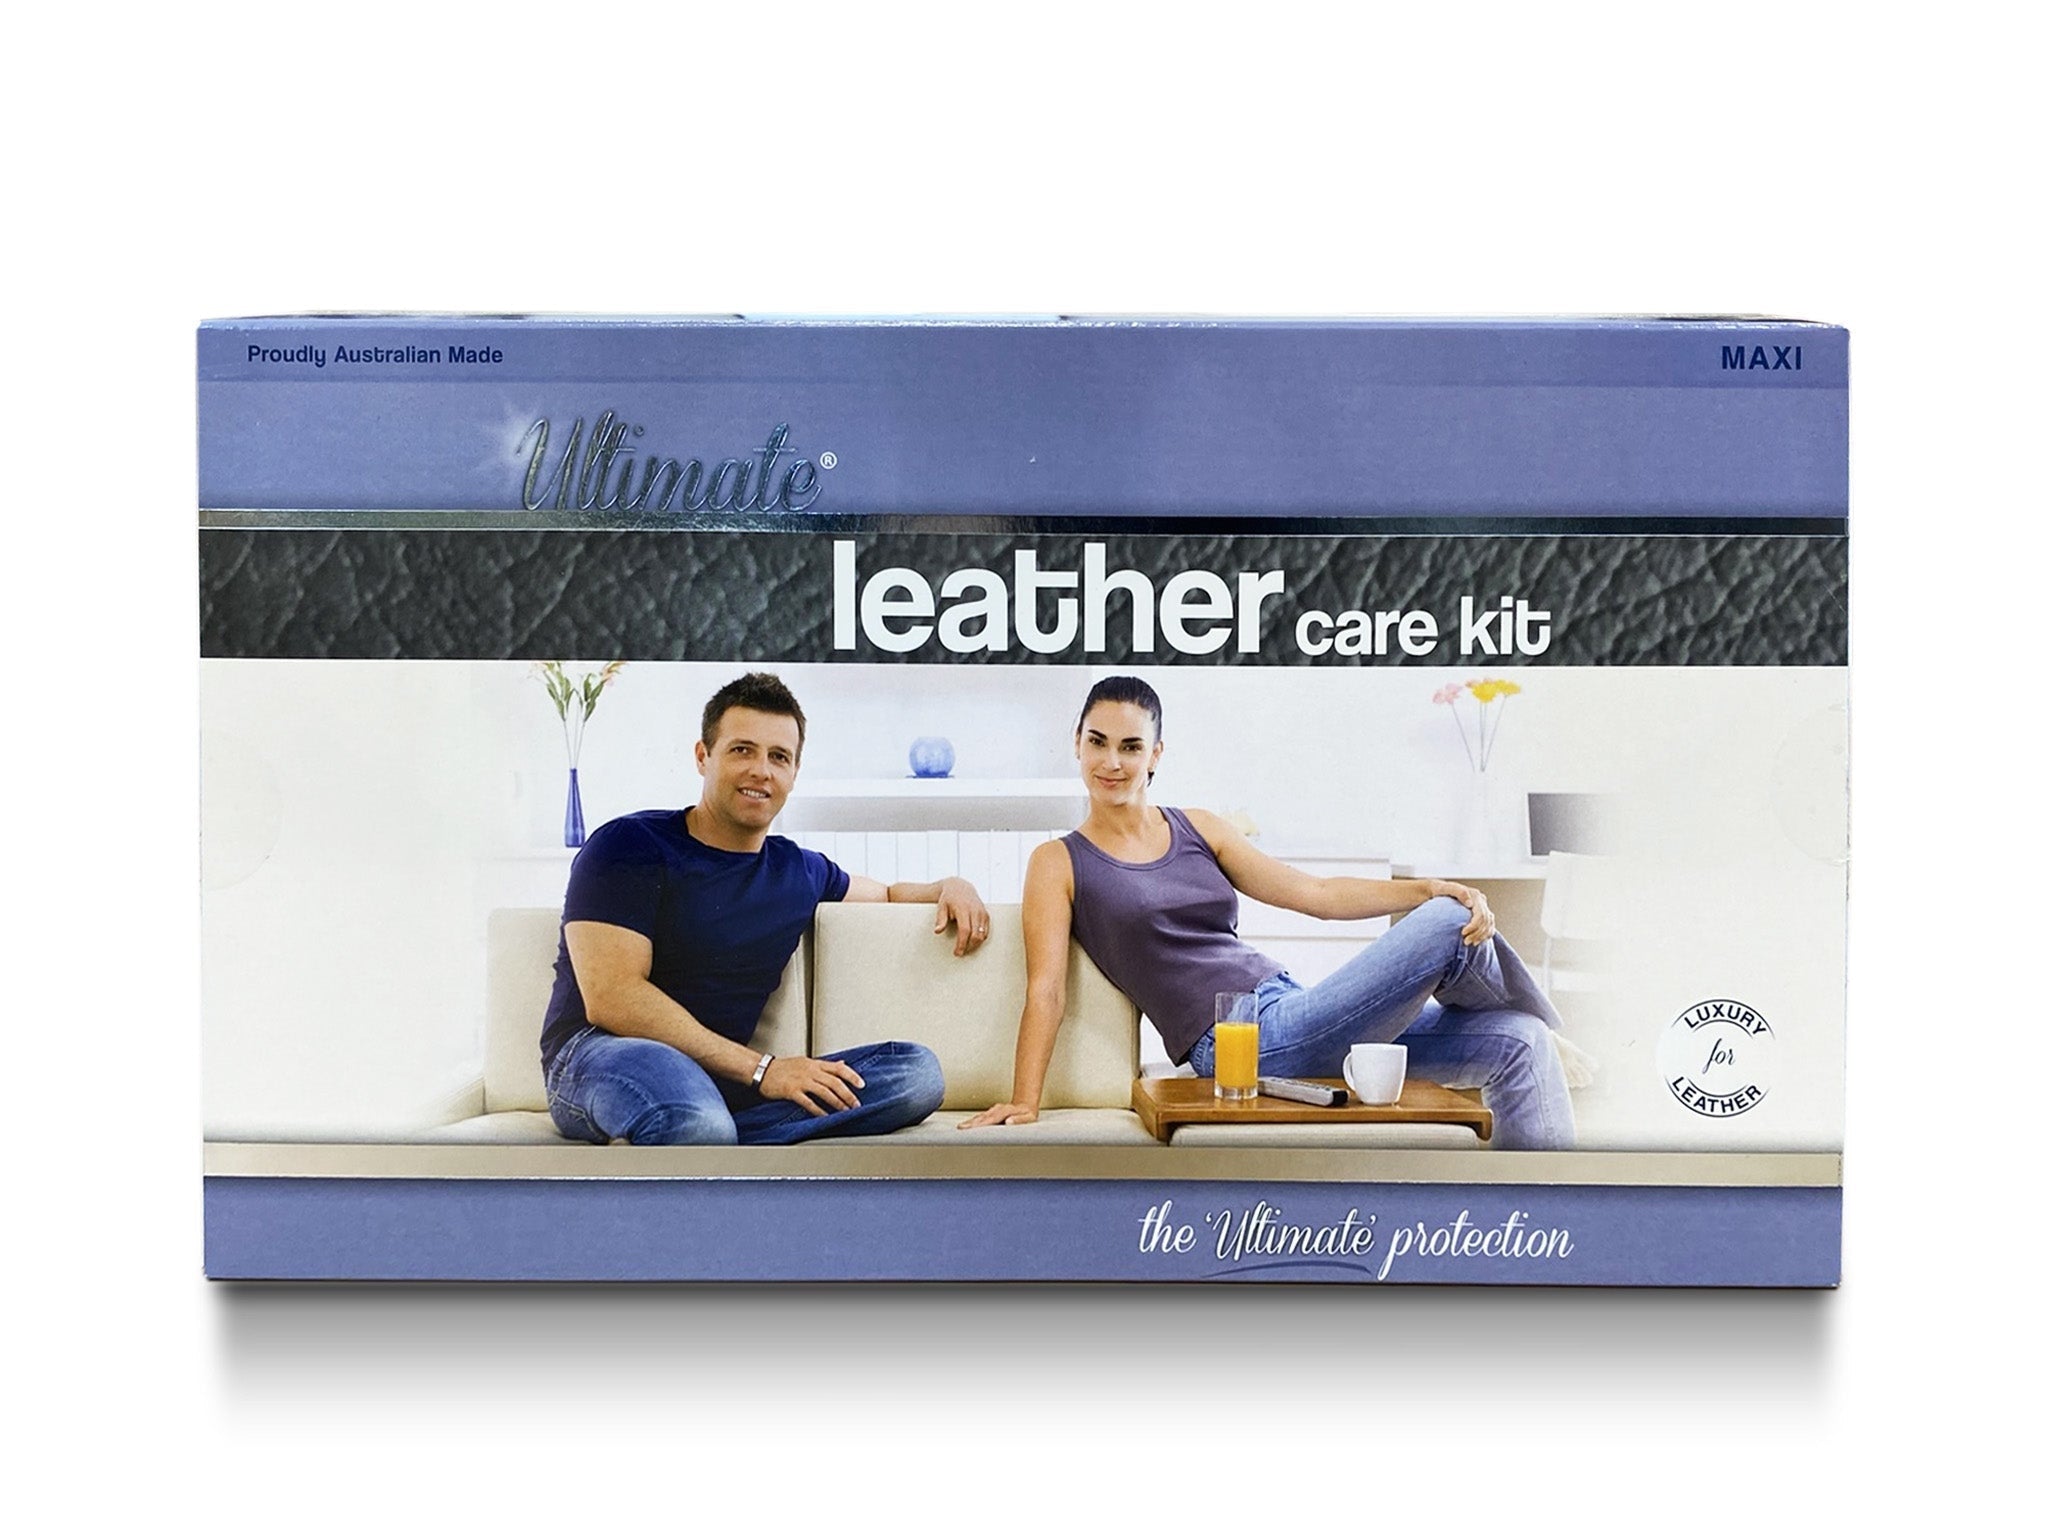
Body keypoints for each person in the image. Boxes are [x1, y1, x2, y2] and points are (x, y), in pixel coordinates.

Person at [960, 676, 1576, 1150]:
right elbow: (1046, 990)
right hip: (1242, 1045)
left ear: (1156, 755)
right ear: (1076, 743)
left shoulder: (1199, 827)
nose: (1111, 762)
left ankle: (1551, 1233)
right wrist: (1024, 1100)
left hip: (1292, 1006)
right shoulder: (1058, 861)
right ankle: (1548, 1019)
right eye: (1097, 742)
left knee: (1519, 1044)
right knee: (1448, 919)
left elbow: (1314, 893)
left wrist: (1423, 887)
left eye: (1130, 746)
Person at [541, 671, 990, 1146]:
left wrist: (951, 884)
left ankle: (705, 1134)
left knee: (915, 1075)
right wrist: (764, 1069)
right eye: (742, 750)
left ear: (794, 773)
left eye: (779, 757)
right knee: (695, 1116)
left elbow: (887, 894)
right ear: (703, 756)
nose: (762, 770)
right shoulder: (628, 845)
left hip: (724, 1079)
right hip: (602, 1054)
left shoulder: (799, 870)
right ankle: (698, 1127)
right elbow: (613, 997)